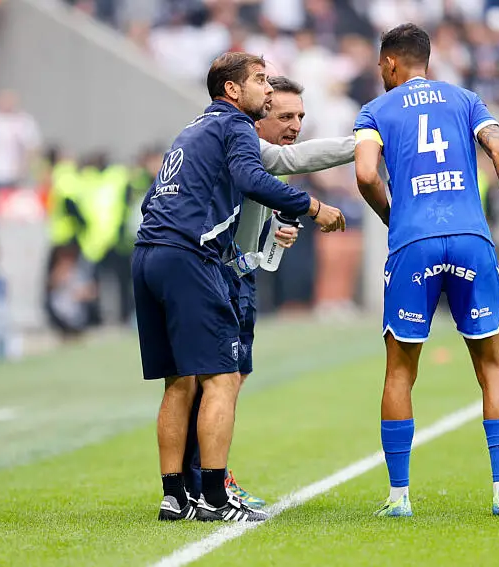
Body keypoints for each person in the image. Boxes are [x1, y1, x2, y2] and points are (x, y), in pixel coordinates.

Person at [132, 52, 345, 524]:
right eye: (261, 81)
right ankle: (213, 496)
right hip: (190, 258)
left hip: (149, 253)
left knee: (179, 382)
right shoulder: (235, 127)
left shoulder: (191, 131)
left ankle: (174, 497)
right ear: (232, 90)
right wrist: (313, 207)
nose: (267, 91)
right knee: (223, 379)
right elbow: (256, 176)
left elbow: (156, 199)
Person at [353, 24, 499, 518]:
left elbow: (365, 173)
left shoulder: (376, 111)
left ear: (392, 63)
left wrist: (394, 216)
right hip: (470, 240)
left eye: (381, 67)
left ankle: (399, 499)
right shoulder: (466, 99)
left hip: (413, 243)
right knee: (493, 368)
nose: (381, 75)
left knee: (400, 372)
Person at [181, 75, 356, 510]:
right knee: (214, 381)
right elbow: (292, 157)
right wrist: (362, 144)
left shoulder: (251, 159)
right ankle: (206, 483)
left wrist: (272, 235)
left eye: (300, 115)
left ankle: (200, 481)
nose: (295, 124)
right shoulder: (244, 143)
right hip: (214, 276)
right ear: (259, 116)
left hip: (239, 277)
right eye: (285, 115)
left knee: (226, 379)